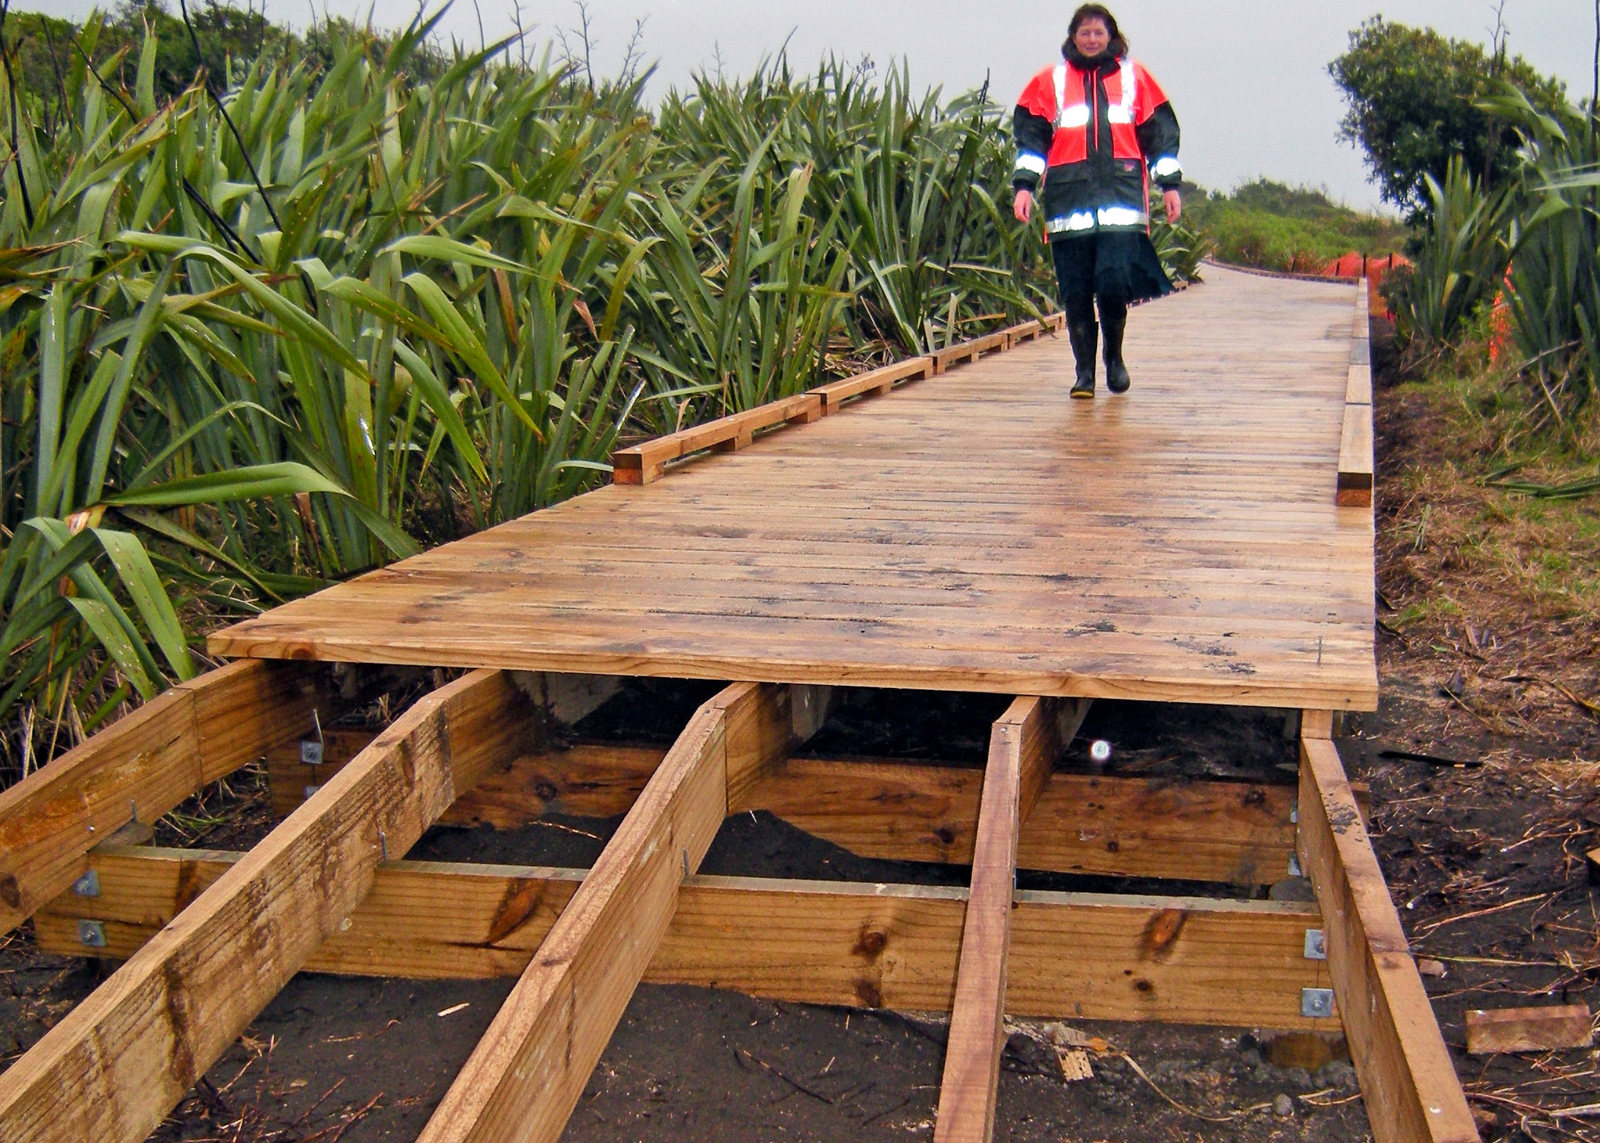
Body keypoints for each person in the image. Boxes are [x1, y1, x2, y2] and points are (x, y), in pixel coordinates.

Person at [1011, 4, 1182, 398]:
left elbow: (1159, 135)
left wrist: (1169, 184)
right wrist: (1024, 185)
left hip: (1121, 199)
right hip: (1067, 204)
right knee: (1075, 291)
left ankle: (1114, 360)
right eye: (1084, 33)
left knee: (1111, 281)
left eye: (1098, 33)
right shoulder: (1048, 81)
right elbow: (1031, 141)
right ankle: (1084, 374)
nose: (1091, 39)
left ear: (1111, 37)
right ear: (1073, 37)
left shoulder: (1134, 77)